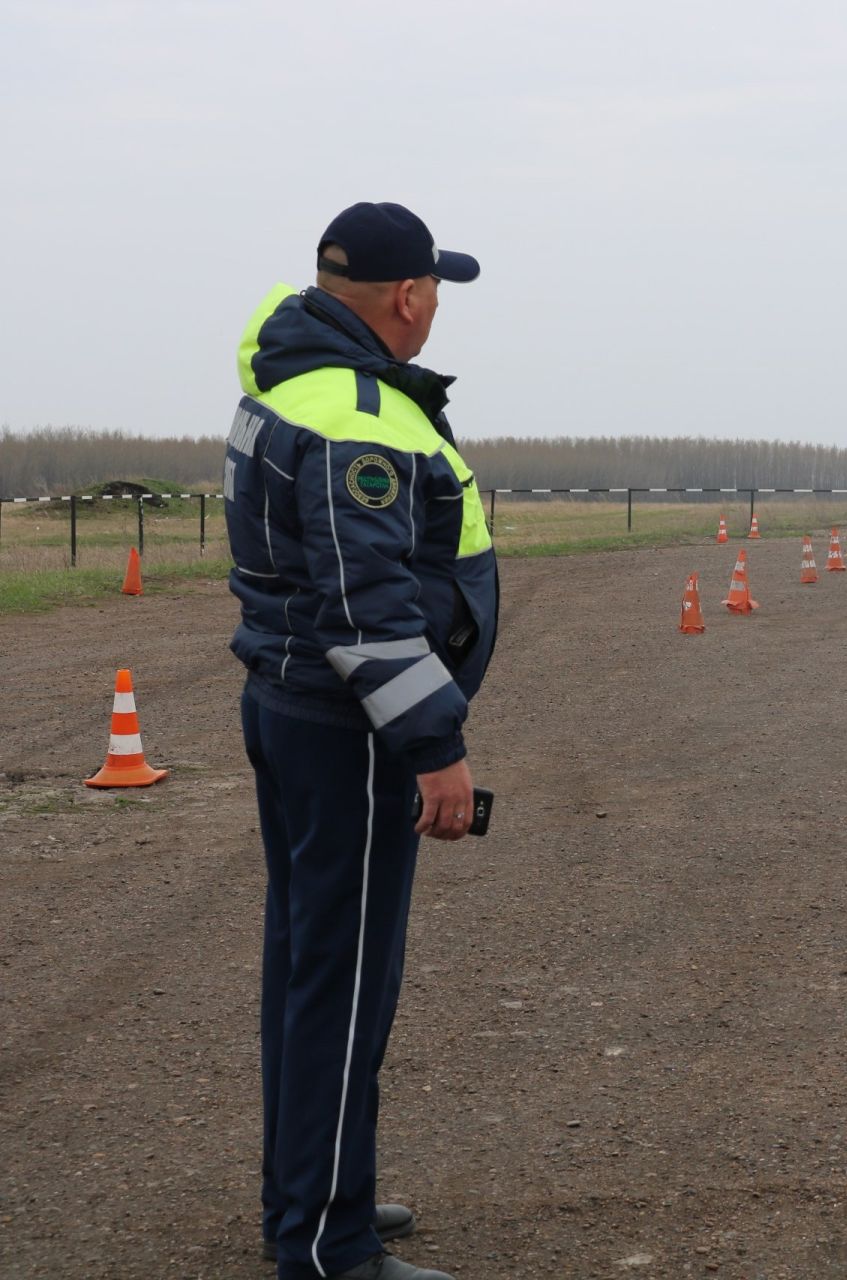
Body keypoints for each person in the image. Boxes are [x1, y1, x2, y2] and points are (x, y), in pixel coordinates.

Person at [224, 202, 498, 1280]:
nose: (437, 306)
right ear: (406, 296)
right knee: (342, 985)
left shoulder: (291, 376)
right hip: (350, 729)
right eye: (435, 289)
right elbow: (366, 604)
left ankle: (307, 1195)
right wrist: (436, 746)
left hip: (295, 704)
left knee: (306, 968)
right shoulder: (356, 414)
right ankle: (327, 1247)